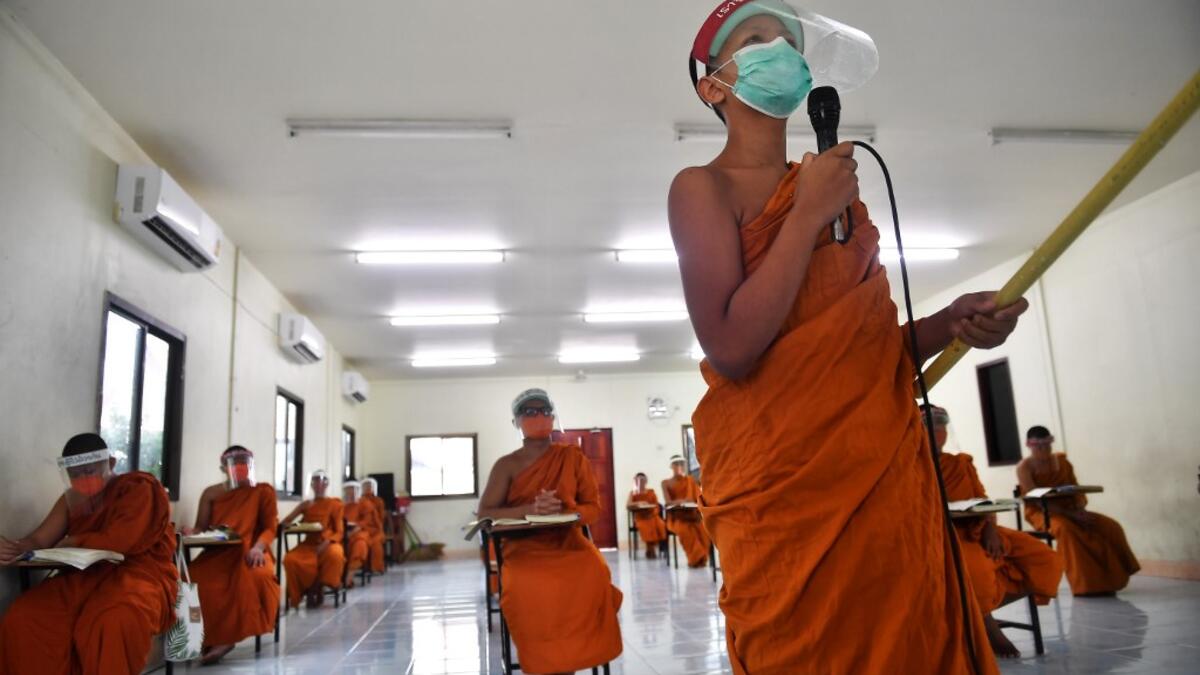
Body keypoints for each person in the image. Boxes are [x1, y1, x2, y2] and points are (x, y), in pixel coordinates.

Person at [670, 1, 1030, 671]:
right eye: (754, 39)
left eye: (787, 40)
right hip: (787, 500)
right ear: (713, 83)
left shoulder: (836, 193)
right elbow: (732, 345)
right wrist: (806, 214)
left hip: (886, 486)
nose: (777, 47)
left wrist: (951, 322)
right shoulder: (703, 188)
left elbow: (861, 350)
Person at [0, 433, 177, 675]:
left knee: (112, 621)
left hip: (137, 576)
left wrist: (76, 541)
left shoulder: (138, 489)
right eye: (75, 474)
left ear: (111, 464)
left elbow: (123, 540)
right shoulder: (71, 500)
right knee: (24, 616)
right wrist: (18, 546)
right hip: (82, 576)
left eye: (91, 471)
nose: (84, 480)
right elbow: (40, 539)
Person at [477, 388, 623, 674]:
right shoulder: (507, 464)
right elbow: (486, 514)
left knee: (593, 571)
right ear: (516, 421)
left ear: (553, 417)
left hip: (568, 541)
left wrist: (566, 513)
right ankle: (549, 662)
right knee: (530, 586)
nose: (538, 416)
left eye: (543, 410)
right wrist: (530, 509)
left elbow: (593, 507)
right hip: (523, 548)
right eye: (529, 412)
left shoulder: (572, 458)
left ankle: (576, 656)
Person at [923, 406, 1063, 658]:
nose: (937, 432)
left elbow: (983, 500)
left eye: (940, 425)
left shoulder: (961, 464)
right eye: (929, 426)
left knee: (1043, 556)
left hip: (978, 527)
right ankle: (987, 624)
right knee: (976, 569)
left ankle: (977, 612)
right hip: (944, 533)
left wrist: (990, 529)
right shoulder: (913, 465)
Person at [1017, 426, 1140, 596]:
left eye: (1047, 446)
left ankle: (1110, 579)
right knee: (1067, 530)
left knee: (1109, 526)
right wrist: (1070, 515)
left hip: (1071, 508)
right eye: (1040, 447)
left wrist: (1080, 509)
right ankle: (1085, 586)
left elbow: (1076, 489)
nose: (1044, 450)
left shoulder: (1063, 463)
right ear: (1030, 446)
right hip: (1043, 512)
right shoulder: (1024, 467)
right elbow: (1036, 499)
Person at [185, 445, 280, 664]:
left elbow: (270, 528)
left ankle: (226, 638)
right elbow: (201, 526)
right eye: (234, 464)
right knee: (193, 578)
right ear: (223, 468)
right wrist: (192, 532)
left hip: (251, 550)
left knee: (256, 577)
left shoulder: (262, 490)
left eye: (244, 464)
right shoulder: (212, 492)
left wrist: (258, 548)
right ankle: (206, 638)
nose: (240, 469)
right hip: (219, 551)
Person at [281, 470, 345, 609]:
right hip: (309, 544)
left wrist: (327, 542)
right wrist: (288, 526)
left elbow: (339, 531)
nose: (319, 485)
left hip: (328, 542)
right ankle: (308, 591)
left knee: (335, 554)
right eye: (315, 481)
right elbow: (288, 520)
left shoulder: (334, 504)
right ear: (311, 485)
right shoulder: (306, 504)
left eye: (322, 482)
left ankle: (319, 588)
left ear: (326, 484)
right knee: (290, 559)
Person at [662, 456, 710, 567]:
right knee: (685, 531)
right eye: (676, 464)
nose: (679, 466)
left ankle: (701, 558)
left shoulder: (691, 481)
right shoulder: (666, 483)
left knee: (704, 530)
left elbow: (698, 499)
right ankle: (695, 558)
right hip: (676, 518)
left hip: (692, 515)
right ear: (671, 466)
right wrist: (683, 501)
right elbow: (668, 503)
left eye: (681, 464)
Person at [626, 472, 667, 558]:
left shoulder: (651, 492)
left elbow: (656, 506)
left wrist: (653, 514)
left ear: (646, 481)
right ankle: (650, 549)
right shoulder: (633, 493)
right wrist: (639, 502)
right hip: (640, 518)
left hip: (652, 516)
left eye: (642, 480)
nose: (640, 482)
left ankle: (653, 549)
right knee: (646, 527)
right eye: (638, 480)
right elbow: (628, 505)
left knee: (661, 524)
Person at [339, 480, 370, 585]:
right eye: (348, 490)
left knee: (360, 545)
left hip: (359, 533)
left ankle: (349, 577)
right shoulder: (341, 505)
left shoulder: (364, 503)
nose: (351, 492)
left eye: (353, 489)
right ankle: (336, 578)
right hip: (343, 533)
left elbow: (366, 521)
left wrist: (352, 532)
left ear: (358, 490)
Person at [361, 477, 388, 573]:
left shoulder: (379, 501)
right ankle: (364, 567)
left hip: (376, 530)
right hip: (363, 529)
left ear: (374, 488)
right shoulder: (359, 501)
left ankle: (376, 568)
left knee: (375, 544)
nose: (368, 488)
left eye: (370, 486)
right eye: (366, 486)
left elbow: (381, 518)